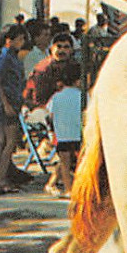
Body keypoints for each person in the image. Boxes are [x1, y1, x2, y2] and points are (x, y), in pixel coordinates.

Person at [0, 25, 27, 194]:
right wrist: (6, 104)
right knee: (10, 141)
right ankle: (1, 178)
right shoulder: (4, 58)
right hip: (6, 103)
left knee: (4, 141)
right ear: (9, 40)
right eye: (18, 39)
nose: (21, 43)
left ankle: (2, 175)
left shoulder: (13, 57)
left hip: (12, 100)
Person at [45, 64, 83, 197]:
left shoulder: (56, 96)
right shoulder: (82, 96)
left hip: (62, 134)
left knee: (64, 163)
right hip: (77, 133)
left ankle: (65, 188)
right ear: (78, 80)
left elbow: (49, 113)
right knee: (77, 162)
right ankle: (70, 189)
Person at [23, 32, 80, 110]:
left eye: (66, 47)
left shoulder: (74, 66)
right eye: (59, 47)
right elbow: (37, 100)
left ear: (71, 50)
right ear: (52, 49)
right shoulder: (43, 69)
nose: (62, 50)